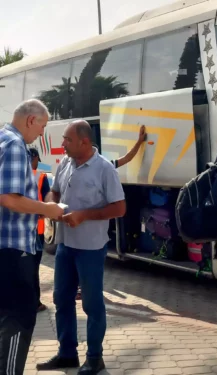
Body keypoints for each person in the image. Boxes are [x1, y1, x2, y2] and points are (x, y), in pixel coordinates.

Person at [37, 120, 126, 375]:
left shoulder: (104, 169)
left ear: (84, 142)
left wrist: (84, 215)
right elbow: (53, 192)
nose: (62, 144)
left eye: (67, 139)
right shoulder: (65, 163)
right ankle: (67, 354)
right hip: (65, 245)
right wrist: (51, 206)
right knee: (61, 299)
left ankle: (95, 358)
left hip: (90, 248)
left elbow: (120, 208)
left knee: (91, 303)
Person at [0, 99, 64, 375]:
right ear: (30, 120)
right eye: (42, 126)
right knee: (19, 319)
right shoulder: (15, 146)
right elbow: (9, 198)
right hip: (14, 250)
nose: (41, 133)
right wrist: (46, 209)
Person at [73, 124, 146, 301]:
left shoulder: (104, 166)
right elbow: (126, 159)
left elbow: (127, 158)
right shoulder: (73, 166)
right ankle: (81, 287)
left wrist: (139, 142)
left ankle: (83, 287)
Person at [29, 147, 51, 313]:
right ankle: (35, 302)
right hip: (37, 228)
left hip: (21, 228)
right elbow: (47, 200)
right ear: (35, 157)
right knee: (33, 268)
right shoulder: (41, 175)